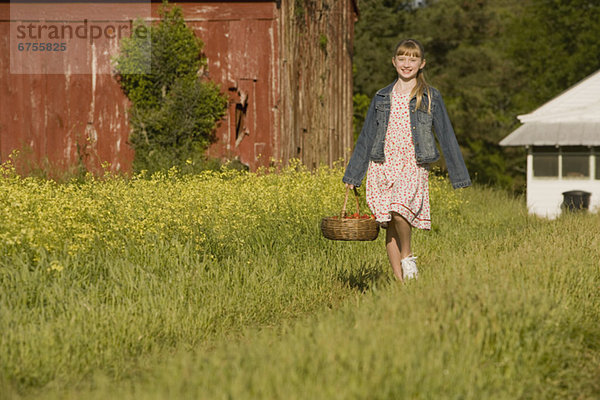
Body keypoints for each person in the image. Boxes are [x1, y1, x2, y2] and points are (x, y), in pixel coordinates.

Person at [343, 38, 471, 282]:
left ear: (422, 64)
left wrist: (459, 176)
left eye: (412, 59)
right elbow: (368, 135)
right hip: (382, 164)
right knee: (389, 223)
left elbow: (446, 134)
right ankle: (402, 284)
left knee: (400, 211)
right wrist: (353, 175)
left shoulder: (430, 96)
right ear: (394, 62)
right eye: (402, 58)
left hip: (413, 163)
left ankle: (407, 255)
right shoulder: (381, 97)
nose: (406, 63)